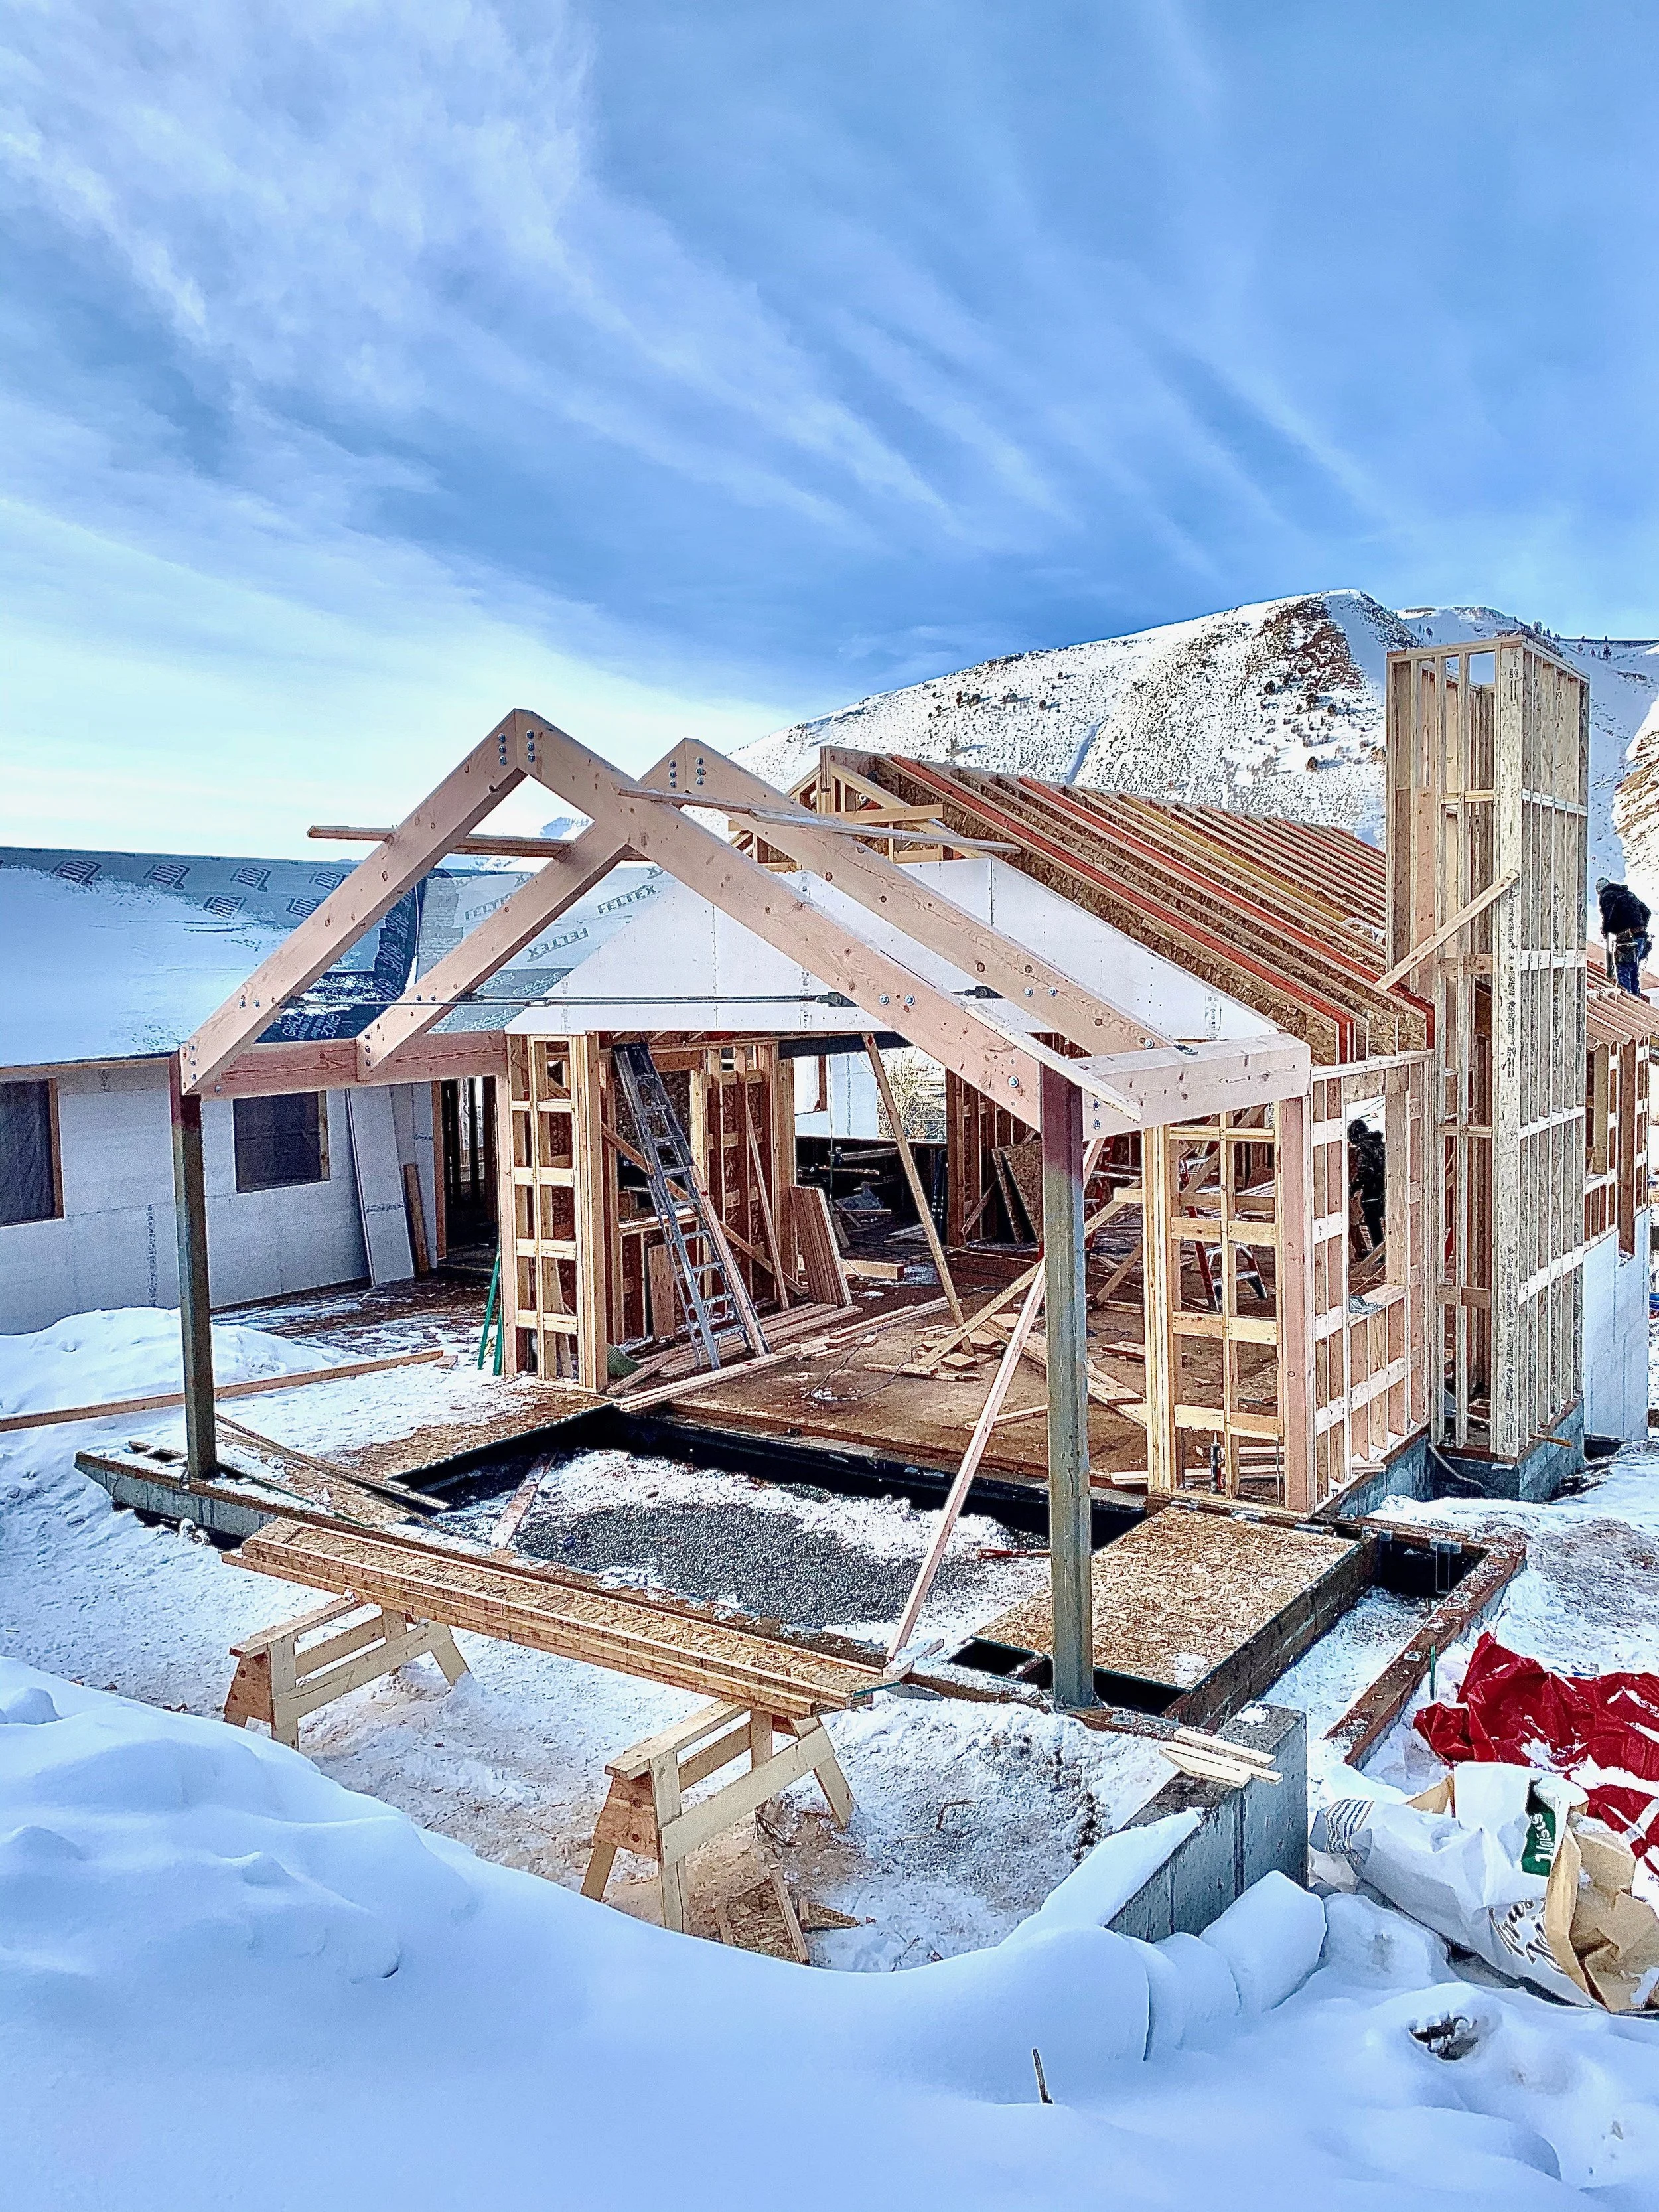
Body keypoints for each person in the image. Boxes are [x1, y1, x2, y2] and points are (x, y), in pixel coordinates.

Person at [1597, 877, 1651, 997]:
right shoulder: (1628, 894)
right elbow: (1646, 911)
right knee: (1633, 971)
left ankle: (1627, 1000)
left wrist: (1607, 930)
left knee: (1623, 972)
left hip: (1626, 940)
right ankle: (1637, 1002)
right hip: (1641, 938)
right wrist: (1640, 926)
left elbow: (1609, 916)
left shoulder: (1607, 896)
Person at [1348, 1118, 1386, 1251]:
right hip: (1386, 1187)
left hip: (1373, 1189)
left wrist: (1353, 1187)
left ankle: (1379, 1253)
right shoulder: (1379, 1144)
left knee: (1372, 1220)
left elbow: (1365, 1172)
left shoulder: (1363, 1147)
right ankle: (1388, 1250)